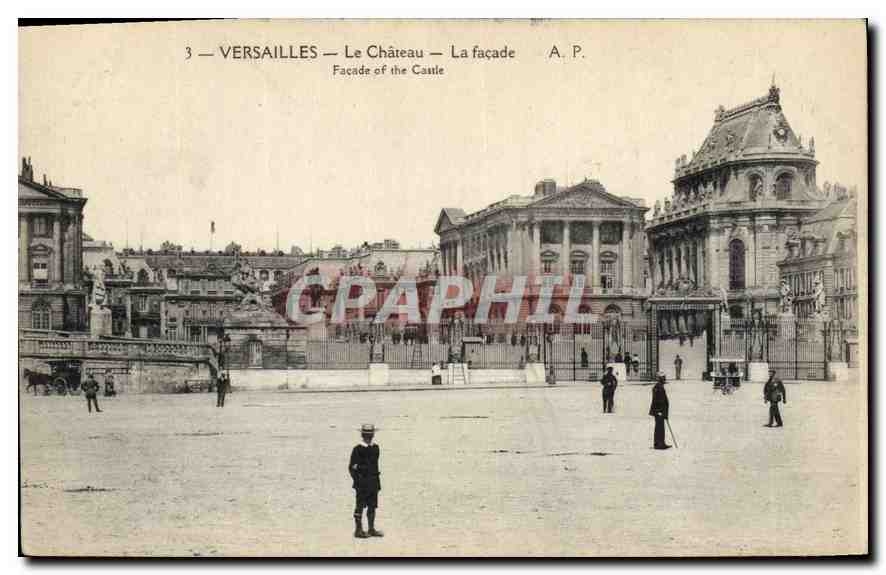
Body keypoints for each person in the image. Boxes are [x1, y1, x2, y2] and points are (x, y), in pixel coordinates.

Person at [349, 423, 383, 538]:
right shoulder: (357, 449)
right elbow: (352, 468)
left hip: (373, 481)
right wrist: (358, 480)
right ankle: (358, 530)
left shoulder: (375, 448)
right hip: (362, 483)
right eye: (367, 434)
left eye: (370, 434)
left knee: (372, 506)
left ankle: (371, 529)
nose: (369, 436)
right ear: (363, 435)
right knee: (360, 506)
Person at [649, 373, 670, 449]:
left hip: (661, 411)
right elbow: (656, 400)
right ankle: (658, 444)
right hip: (659, 411)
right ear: (660, 379)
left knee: (661, 427)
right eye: (663, 378)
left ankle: (661, 443)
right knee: (659, 427)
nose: (664, 380)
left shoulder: (660, 386)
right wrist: (659, 411)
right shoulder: (657, 387)